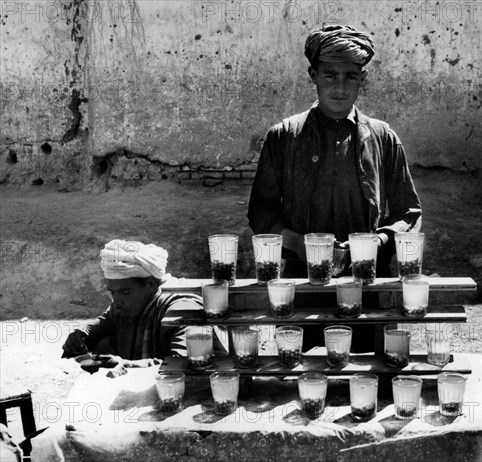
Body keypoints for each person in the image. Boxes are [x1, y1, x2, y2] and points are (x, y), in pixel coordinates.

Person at [247, 25, 422, 352]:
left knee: (372, 379)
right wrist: (300, 246)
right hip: (301, 285)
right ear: (313, 75)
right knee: (304, 381)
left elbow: (409, 214)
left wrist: (376, 243)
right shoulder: (283, 137)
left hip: (369, 281)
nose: (340, 87)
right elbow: (261, 212)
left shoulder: (383, 138)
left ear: (363, 79)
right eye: (330, 76)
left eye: (350, 77)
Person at [61, 239, 211, 375]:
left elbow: (185, 364)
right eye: (113, 292)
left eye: (125, 292)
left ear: (150, 284)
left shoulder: (182, 308)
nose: (116, 301)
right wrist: (82, 335)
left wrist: (130, 365)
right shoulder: (124, 304)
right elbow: (102, 323)